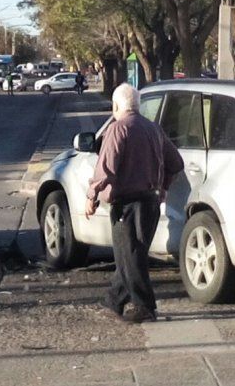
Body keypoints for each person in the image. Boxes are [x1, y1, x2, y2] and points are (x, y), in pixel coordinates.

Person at [85, 83, 183, 323]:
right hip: (150, 201)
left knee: (130, 257)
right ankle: (114, 300)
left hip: (127, 203)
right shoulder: (153, 129)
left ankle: (144, 306)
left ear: (116, 105)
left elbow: (105, 168)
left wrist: (92, 196)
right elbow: (176, 162)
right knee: (130, 255)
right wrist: (164, 187)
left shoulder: (118, 129)